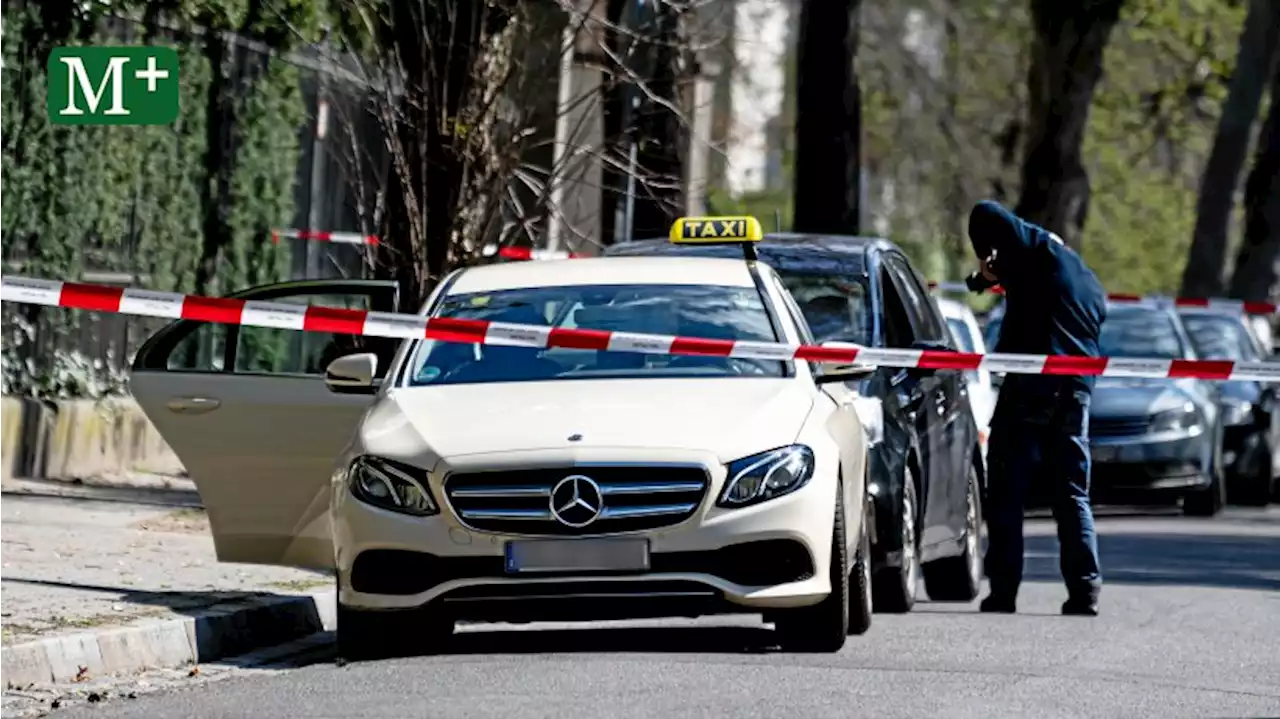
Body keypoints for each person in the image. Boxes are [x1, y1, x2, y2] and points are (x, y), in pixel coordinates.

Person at [964, 200, 1107, 617]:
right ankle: (1085, 592)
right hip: (1077, 391)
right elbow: (1016, 286)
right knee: (1072, 495)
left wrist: (983, 252)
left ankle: (1003, 591)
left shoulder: (1031, 247)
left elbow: (986, 212)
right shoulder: (1081, 277)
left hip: (1032, 385)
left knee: (1006, 489)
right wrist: (986, 276)